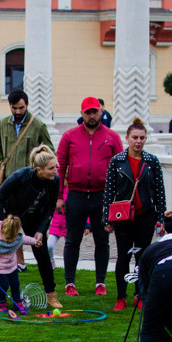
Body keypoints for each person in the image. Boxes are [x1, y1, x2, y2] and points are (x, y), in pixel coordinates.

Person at [57, 96, 124, 298]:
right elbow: (60, 167)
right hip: (76, 194)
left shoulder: (112, 137)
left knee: (102, 240)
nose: (92, 115)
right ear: (82, 113)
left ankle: (100, 282)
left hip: (102, 196)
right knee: (72, 240)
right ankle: (69, 282)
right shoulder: (69, 136)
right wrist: (59, 197)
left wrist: (116, 200)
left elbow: (120, 169)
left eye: (95, 111)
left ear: (101, 112)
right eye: (88, 112)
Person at [102, 118, 166, 311]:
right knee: (123, 256)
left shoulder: (151, 161)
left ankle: (141, 294)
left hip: (145, 214)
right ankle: (121, 296)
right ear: (127, 138)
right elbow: (109, 191)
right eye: (135, 137)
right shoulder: (117, 161)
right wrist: (106, 217)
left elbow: (159, 190)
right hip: (123, 216)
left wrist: (161, 217)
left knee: (142, 256)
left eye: (142, 138)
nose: (138, 141)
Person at [0, 145, 63, 309]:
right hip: (12, 215)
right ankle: (0, 298)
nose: (55, 171)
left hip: (35, 218)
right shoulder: (21, 176)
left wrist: (41, 229)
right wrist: (6, 223)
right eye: (51, 168)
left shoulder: (55, 180)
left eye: (56, 167)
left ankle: (51, 295)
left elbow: (50, 207)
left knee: (43, 255)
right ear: (39, 169)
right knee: (4, 256)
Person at [0, 89, 54, 271]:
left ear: (27, 105)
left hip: (31, 183)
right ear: (10, 107)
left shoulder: (38, 125)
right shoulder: (3, 123)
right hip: (11, 184)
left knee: (35, 223)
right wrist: (2, 162)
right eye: (14, 108)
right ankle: (19, 262)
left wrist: (38, 168)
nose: (18, 112)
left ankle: (45, 258)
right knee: (13, 222)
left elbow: (49, 150)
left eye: (21, 108)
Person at [0, 215, 41, 314]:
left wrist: (35, 242)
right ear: (2, 232)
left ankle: (18, 303)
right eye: (8, 238)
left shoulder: (17, 237)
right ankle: (1, 304)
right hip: (0, 270)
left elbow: (24, 239)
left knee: (15, 285)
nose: (10, 241)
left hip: (12, 267)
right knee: (4, 285)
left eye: (12, 239)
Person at [46, 184, 69, 268]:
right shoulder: (58, 190)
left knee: (69, 248)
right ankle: (51, 260)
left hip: (68, 225)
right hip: (56, 224)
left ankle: (69, 267)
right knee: (49, 245)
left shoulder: (71, 191)